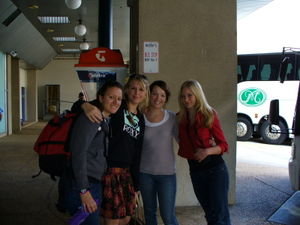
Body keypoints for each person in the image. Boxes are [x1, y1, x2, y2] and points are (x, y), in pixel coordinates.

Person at [81, 74, 149, 225]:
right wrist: (85, 105)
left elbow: (137, 153)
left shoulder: (141, 118)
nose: (136, 93)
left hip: (126, 174)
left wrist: (136, 184)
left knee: (126, 218)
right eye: (133, 88)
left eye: (141, 89)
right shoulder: (117, 106)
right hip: (110, 171)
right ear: (126, 90)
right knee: (112, 220)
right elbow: (81, 105)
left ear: (145, 94)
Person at [64, 81, 123, 225]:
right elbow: (78, 154)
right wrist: (84, 191)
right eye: (111, 97)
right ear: (101, 97)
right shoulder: (91, 119)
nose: (116, 102)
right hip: (84, 184)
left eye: (119, 99)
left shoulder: (104, 119)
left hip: (94, 182)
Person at [177, 80, 231, 225]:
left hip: (215, 170)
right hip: (196, 171)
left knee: (220, 215)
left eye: (190, 95)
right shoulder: (180, 118)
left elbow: (224, 145)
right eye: (183, 96)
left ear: (197, 95)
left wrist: (207, 151)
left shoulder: (209, 114)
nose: (186, 99)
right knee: (210, 214)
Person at [139, 80, 179, 225]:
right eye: (154, 94)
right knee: (149, 213)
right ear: (149, 95)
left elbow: (184, 140)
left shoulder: (172, 117)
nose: (158, 98)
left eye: (162, 95)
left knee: (168, 216)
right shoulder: (139, 116)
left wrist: (207, 144)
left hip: (167, 175)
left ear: (166, 98)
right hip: (144, 173)